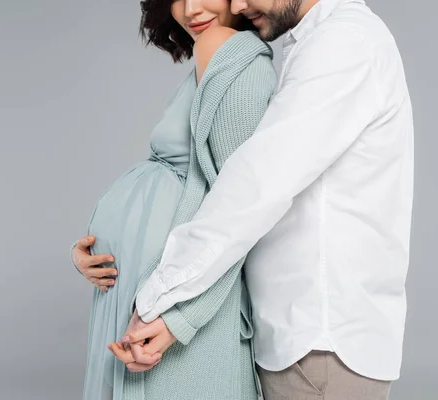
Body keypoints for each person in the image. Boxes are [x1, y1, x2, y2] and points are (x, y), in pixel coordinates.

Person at [114, 0, 414, 399]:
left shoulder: (345, 42)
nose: (236, 5)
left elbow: (255, 186)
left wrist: (164, 299)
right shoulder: (314, 43)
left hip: (320, 344)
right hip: (303, 343)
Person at [70, 0, 277, 399]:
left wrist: (180, 317)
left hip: (180, 294)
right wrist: (91, 250)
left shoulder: (225, 48)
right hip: (146, 286)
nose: (191, 9)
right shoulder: (214, 56)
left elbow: (239, 209)